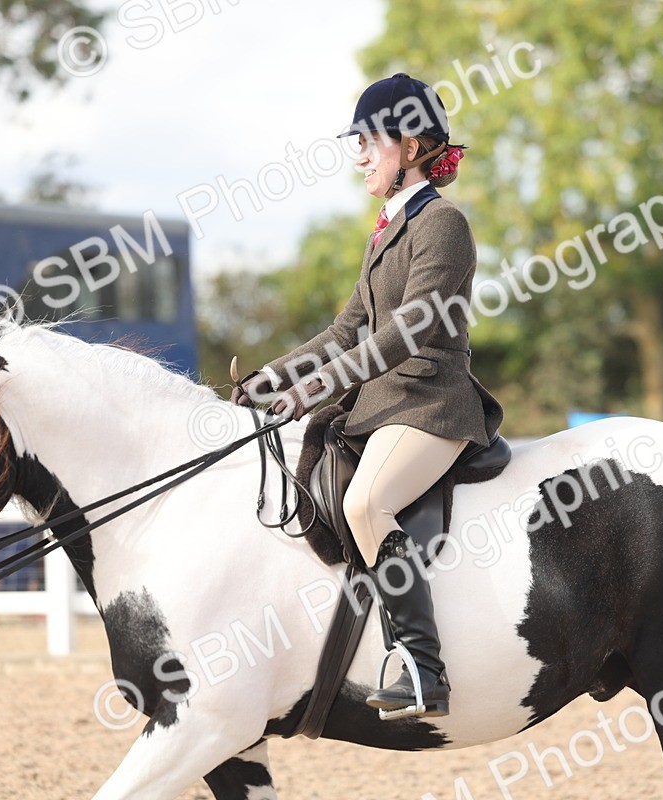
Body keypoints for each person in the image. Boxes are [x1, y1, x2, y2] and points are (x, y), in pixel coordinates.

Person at [231, 73, 503, 718]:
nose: (356, 154)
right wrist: (274, 376)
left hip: (431, 402)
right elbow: (348, 329)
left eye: (367, 140)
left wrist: (322, 384)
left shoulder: (444, 226)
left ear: (410, 146)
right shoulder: (386, 231)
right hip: (382, 404)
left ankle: (421, 668)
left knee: (367, 501)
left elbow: (410, 330)